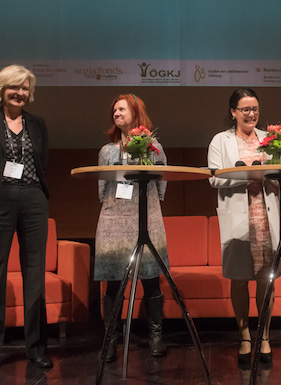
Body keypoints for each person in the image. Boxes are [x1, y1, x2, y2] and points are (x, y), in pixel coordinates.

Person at [0, 65, 52, 372]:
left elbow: (43, 162)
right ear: (1, 90)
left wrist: (31, 192)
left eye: (25, 88)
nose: (20, 93)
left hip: (33, 200)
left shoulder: (38, 124)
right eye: (14, 87)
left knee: (35, 276)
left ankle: (37, 348)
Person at [207, 88, 281, 366]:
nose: (252, 114)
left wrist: (270, 172)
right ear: (233, 112)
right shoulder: (220, 141)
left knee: (267, 277)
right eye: (246, 109)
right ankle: (245, 336)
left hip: (265, 213)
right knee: (239, 278)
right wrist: (247, 173)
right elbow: (214, 178)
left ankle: (264, 336)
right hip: (239, 214)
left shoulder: (270, 139)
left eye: (255, 109)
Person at [95, 94, 169, 362]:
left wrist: (151, 206)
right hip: (114, 219)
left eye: (122, 109)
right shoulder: (107, 151)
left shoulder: (154, 147)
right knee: (114, 282)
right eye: (114, 109)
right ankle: (111, 341)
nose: (116, 113)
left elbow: (161, 185)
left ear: (136, 113)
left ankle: (156, 336)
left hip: (146, 216)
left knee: (151, 279)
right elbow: (102, 188)